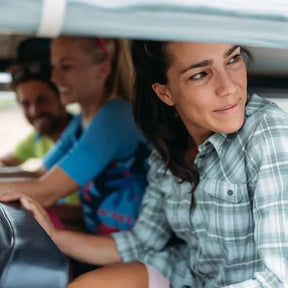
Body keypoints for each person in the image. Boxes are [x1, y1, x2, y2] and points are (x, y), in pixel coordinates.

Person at [2, 40, 288, 288]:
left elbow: (279, 278)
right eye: (200, 74)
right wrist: (54, 236)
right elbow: (141, 243)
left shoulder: (268, 130)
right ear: (165, 93)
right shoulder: (165, 153)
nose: (229, 88)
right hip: (184, 275)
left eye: (233, 58)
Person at [0, 36, 150, 236]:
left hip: (126, 248)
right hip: (98, 238)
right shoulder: (82, 122)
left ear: (103, 69)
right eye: (54, 67)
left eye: (66, 67)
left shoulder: (115, 117)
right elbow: (39, 174)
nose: (54, 77)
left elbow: (46, 191)